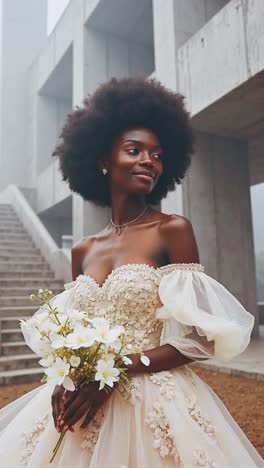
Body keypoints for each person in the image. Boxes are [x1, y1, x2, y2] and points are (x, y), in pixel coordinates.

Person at [0, 77, 263, 468]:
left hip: (151, 402)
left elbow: (199, 340)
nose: (148, 161)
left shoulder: (172, 230)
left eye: (156, 154)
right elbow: (74, 331)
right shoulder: (83, 249)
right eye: (134, 150)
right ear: (103, 161)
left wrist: (120, 369)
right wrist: (65, 379)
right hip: (83, 400)